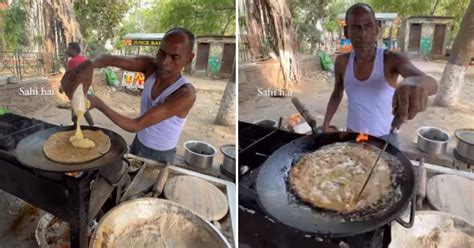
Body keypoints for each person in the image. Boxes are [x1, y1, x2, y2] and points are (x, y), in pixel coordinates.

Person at [60, 28, 197, 164]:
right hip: (139, 142)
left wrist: (97, 103)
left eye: (174, 57)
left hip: (160, 156)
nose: (164, 62)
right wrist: (89, 64)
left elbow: (136, 125)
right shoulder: (150, 66)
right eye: (161, 53)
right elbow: (110, 59)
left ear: (189, 58)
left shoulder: (185, 94)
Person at [322, 3, 438, 147]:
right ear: (347, 32)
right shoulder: (342, 62)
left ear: (376, 30)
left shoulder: (391, 59)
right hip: (352, 135)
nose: (362, 33)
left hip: (385, 138)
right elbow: (337, 93)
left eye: (368, 26)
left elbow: (432, 83)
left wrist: (415, 83)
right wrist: (325, 123)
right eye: (355, 27)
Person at [64, 42, 94, 126]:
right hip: (85, 88)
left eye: (68, 48)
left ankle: (76, 128)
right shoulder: (84, 60)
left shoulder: (72, 61)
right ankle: (92, 125)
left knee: (75, 110)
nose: (67, 50)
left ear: (73, 50)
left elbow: (68, 77)